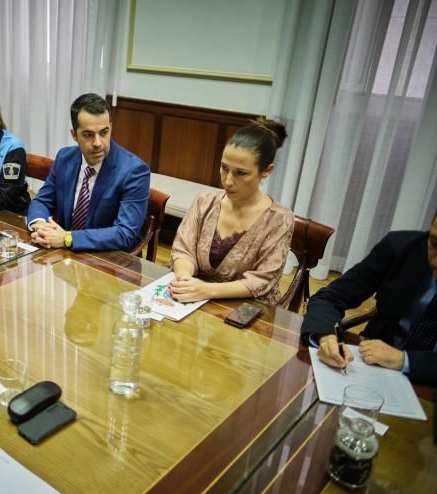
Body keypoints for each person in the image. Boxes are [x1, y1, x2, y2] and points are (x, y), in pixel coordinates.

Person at [301, 213, 437, 384]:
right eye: (435, 243)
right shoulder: (401, 248)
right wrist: (326, 336)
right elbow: (330, 297)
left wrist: (405, 360)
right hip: (369, 367)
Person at [169, 118, 294, 305]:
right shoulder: (205, 202)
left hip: (246, 308)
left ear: (266, 171)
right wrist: (184, 278)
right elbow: (183, 250)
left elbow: (261, 281)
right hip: (195, 297)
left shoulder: (279, 219)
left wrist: (207, 290)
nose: (227, 181)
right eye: (224, 168)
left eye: (241, 173)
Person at [27, 93, 150, 252]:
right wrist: (40, 226)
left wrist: (67, 238)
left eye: (104, 132)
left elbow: (125, 233)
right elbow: (42, 201)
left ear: (111, 128)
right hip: (63, 257)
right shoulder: (65, 158)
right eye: (88, 135)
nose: (98, 143)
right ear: (74, 135)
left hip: (107, 262)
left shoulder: (134, 171)